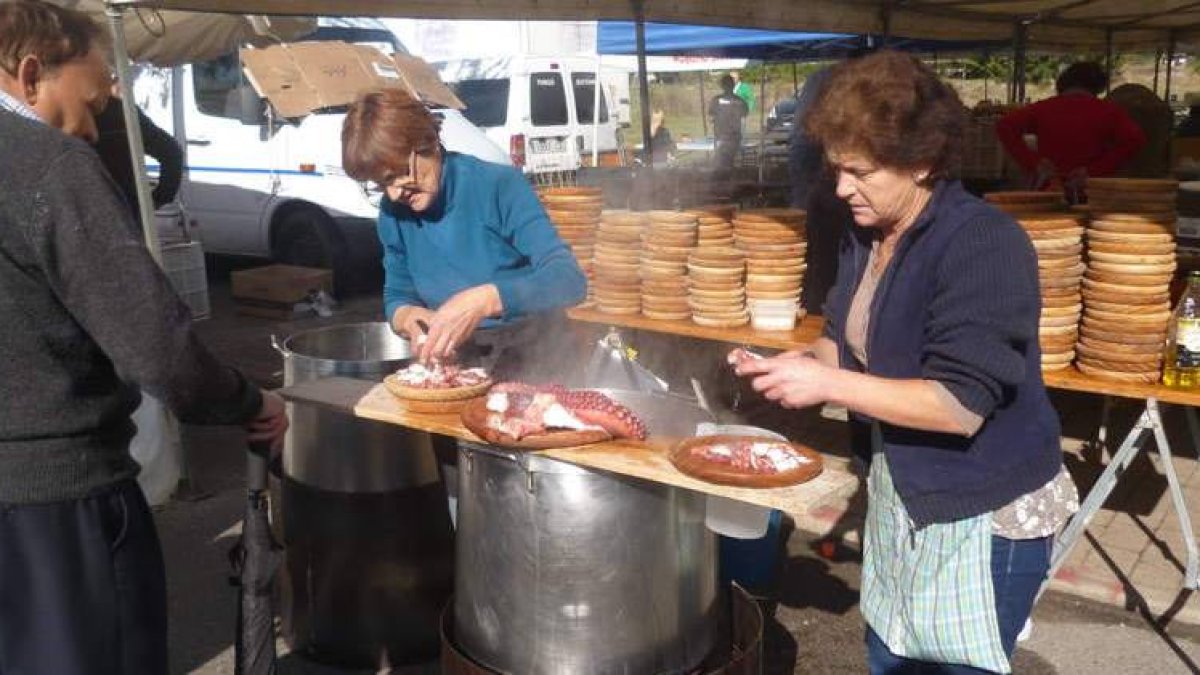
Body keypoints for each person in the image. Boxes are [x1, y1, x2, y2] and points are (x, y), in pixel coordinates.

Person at [733, 51, 1077, 675]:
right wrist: (791, 366)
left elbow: (958, 406)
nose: (841, 188)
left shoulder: (982, 243)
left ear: (922, 162)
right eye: (836, 169)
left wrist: (828, 383)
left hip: (980, 509)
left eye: (859, 171)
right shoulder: (867, 233)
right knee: (889, 655)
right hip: (903, 492)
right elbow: (846, 341)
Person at [0, 3, 289, 673]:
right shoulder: (49, 167)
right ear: (31, 73)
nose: (96, 125)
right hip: (58, 502)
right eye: (93, 101)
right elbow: (160, 349)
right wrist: (249, 402)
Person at [340, 88, 586, 374]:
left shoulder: (498, 187)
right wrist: (410, 319)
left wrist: (484, 300)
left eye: (398, 175)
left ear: (427, 143)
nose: (394, 194)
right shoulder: (393, 214)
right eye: (381, 185)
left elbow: (569, 280)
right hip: (457, 363)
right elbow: (397, 293)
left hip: (534, 358)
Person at [996, 61, 1145, 203]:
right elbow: (1135, 139)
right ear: (1098, 87)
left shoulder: (1043, 108)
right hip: (1092, 191)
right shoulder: (1109, 111)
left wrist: (1033, 163)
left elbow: (1005, 125)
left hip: (1050, 189)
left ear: (1063, 83)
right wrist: (1095, 171)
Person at [94, 82, 185, 223]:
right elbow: (171, 152)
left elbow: (171, 152)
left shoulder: (58, 118)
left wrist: (159, 198)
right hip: (124, 213)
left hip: (86, 214)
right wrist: (159, 198)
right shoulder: (122, 112)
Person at [709, 74, 748, 180]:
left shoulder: (715, 100)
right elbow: (744, 117)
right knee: (729, 162)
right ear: (733, 85)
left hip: (721, 136)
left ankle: (722, 186)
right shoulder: (741, 101)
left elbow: (711, 118)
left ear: (722, 85)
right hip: (735, 137)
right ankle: (729, 184)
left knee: (720, 163)